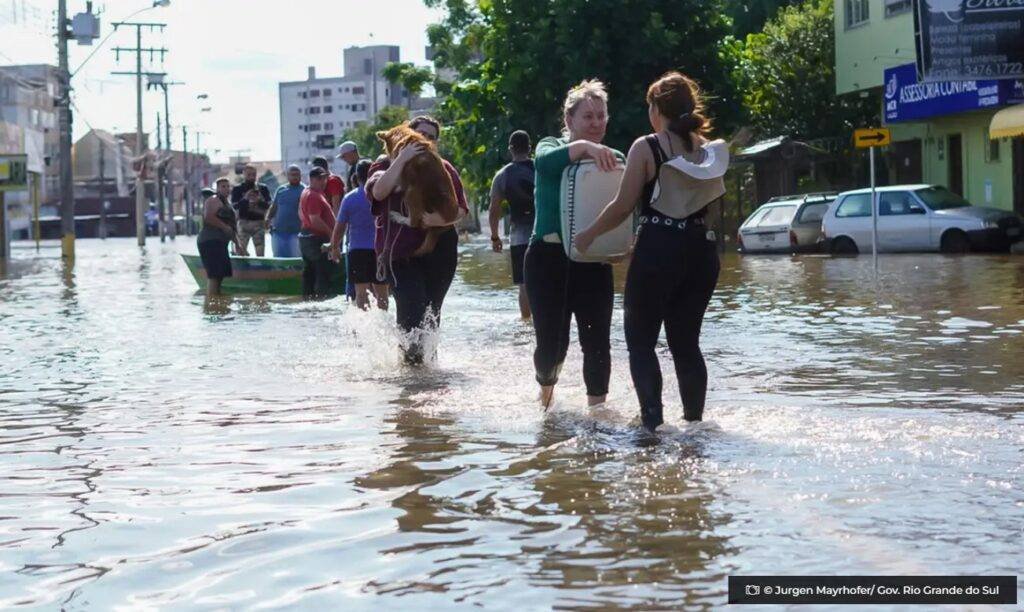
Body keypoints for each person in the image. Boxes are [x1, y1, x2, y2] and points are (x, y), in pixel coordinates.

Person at [574, 72, 725, 431]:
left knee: (641, 343)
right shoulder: (708, 150)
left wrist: (589, 234)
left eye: (650, 106)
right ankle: (695, 427)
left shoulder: (647, 146)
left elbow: (623, 205)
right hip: (703, 252)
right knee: (687, 344)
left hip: (659, 250)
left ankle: (652, 426)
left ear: (658, 109)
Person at [525, 79, 624, 409]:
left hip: (593, 259)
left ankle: (597, 415)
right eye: (588, 117)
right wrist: (585, 148)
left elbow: (625, 208)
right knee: (553, 345)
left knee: (597, 342)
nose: (596, 123)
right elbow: (543, 164)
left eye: (601, 116)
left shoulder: (615, 158)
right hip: (547, 259)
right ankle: (545, 396)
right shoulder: (548, 145)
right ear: (569, 120)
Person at [366, 115, 469, 365]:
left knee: (431, 314)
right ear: (407, 135)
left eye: (431, 137)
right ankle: (410, 374)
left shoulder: (442, 167)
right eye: (420, 135)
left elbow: (461, 210)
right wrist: (402, 158)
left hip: (440, 251)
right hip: (400, 254)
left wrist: (434, 220)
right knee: (411, 310)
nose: (425, 140)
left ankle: (429, 372)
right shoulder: (382, 166)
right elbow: (379, 192)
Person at [489, 130, 535, 319]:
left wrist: (495, 236)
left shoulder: (502, 175)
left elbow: (494, 209)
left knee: (524, 284)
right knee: (549, 282)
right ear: (530, 148)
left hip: (519, 237)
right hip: (545, 232)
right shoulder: (541, 169)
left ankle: (526, 324)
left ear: (510, 149)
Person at [330, 159, 388, 310]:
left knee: (360, 294)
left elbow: (340, 226)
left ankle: (362, 329)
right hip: (379, 251)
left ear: (356, 176)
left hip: (357, 251)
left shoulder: (350, 198)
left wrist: (334, 247)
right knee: (382, 294)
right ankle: (384, 327)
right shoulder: (382, 195)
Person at [197, 178, 246, 297]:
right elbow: (209, 217)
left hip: (221, 243)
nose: (226, 189)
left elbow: (232, 228)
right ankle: (211, 302)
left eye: (228, 186)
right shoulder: (213, 200)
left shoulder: (227, 203)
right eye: (223, 186)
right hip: (210, 241)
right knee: (214, 275)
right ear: (217, 188)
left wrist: (238, 245)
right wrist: (224, 227)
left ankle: (217, 303)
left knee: (220, 274)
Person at [299, 167, 337, 299]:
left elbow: (300, 214)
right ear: (311, 179)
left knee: (310, 273)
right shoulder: (313, 195)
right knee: (323, 273)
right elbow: (315, 220)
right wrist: (332, 233)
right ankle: (322, 304)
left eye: (324, 178)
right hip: (317, 239)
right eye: (319, 178)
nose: (323, 181)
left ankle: (309, 304)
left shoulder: (307, 192)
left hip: (308, 237)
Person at [230, 164, 272, 256]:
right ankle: (242, 268)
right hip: (243, 222)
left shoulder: (262, 188)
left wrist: (259, 201)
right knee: (240, 251)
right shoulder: (238, 189)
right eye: (249, 174)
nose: (252, 177)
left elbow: (269, 204)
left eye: (254, 174)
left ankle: (260, 269)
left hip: (258, 222)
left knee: (260, 253)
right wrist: (245, 198)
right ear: (244, 174)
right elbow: (235, 206)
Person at [266, 164, 304, 257]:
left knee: (295, 261)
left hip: (296, 233)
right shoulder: (280, 189)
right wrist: (268, 218)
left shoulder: (305, 190)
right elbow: (274, 206)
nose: (295, 177)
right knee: (279, 261)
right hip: (278, 232)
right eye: (292, 174)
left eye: (297, 174)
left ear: (300, 176)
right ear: (287, 176)